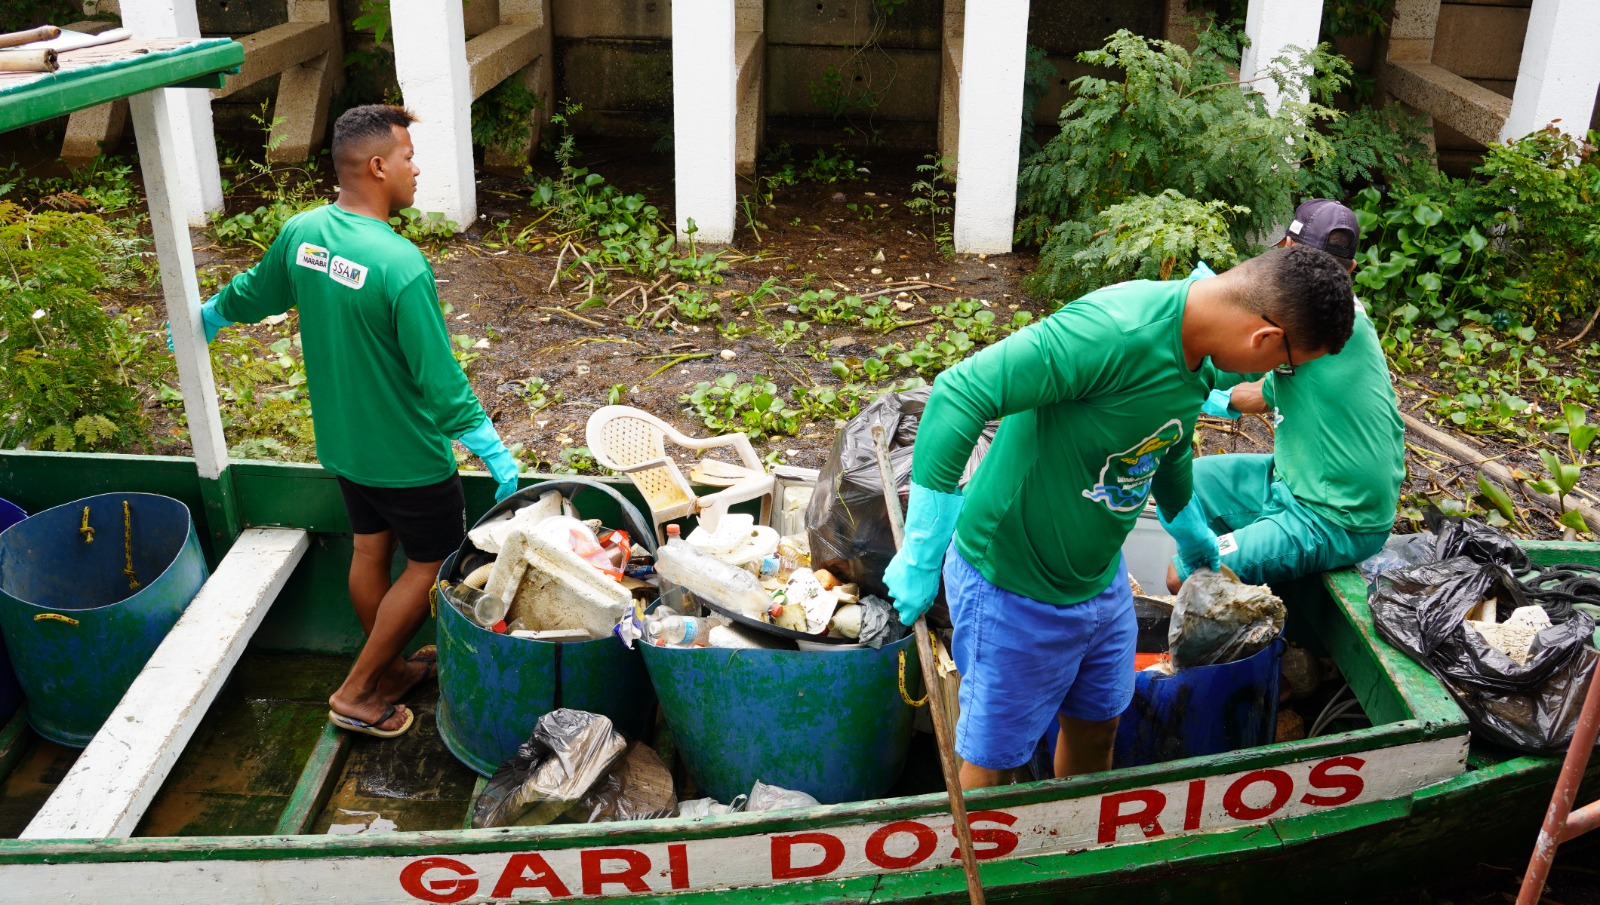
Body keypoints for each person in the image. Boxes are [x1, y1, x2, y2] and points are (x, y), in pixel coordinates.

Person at [883, 245, 1355, 790]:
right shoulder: (1111, 332)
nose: (1279, 374)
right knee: (997, 757)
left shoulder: (1200, 352)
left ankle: (1071, 851)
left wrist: (1188, 525)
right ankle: (994, 868)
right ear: (1265, 339)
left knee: (1098, 729)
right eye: (1287, 364)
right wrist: (922, 551)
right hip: (1013, 586)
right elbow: (959, 394)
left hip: (1100, 581)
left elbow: (1166, 441)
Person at [197, 105, 521, 738]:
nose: (415, 168)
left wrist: (210, 315)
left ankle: (392, 669)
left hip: (343, 446)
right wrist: (488, 444)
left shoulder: (304, 232)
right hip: (406, 456)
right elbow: (439, 379)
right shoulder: (400, 264)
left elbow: (258, 293)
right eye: (407, 157)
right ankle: (357, 691)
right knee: (427, 565)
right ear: (378, 166)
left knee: (371, 548)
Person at [1165, 199, 1405, 594]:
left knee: (1182, 574)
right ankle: (1241, 576)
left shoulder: (1328, 329)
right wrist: (1215, 389)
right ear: (1352, 268)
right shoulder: (1319, 326)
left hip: (1333, 514)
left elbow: (1236, 367)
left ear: (1286, 255)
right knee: (1190, 484)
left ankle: (1223, 634)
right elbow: (1258, 388)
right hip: (1291, 477)